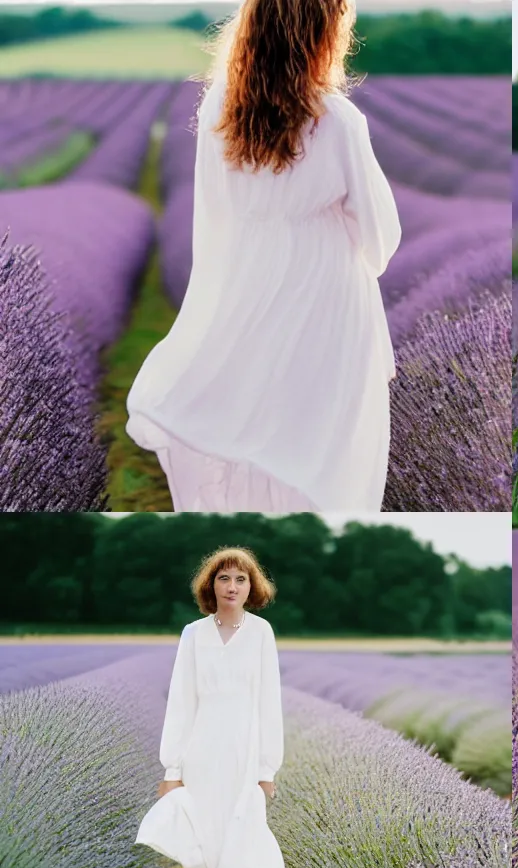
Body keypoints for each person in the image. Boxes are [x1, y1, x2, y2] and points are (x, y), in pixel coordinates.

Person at [126, 0, 401, 513]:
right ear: (322, 34)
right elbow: (380, 235)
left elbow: (211, 215)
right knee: (323, 440)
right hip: (328, 296)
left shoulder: (219, 110)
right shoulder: (338, 119)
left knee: (253, 418)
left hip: (247, 281)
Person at [136, 547, 286, 868]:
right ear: (211, 585)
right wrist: (172, 771)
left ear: (252, 586)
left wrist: (266, 771)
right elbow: (181, 702)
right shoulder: (193, 635)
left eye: (241, 579)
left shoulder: (261, 633)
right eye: (224, 578)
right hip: (200, 762)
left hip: (242, 764)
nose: (232, 587)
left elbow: (269, 704)